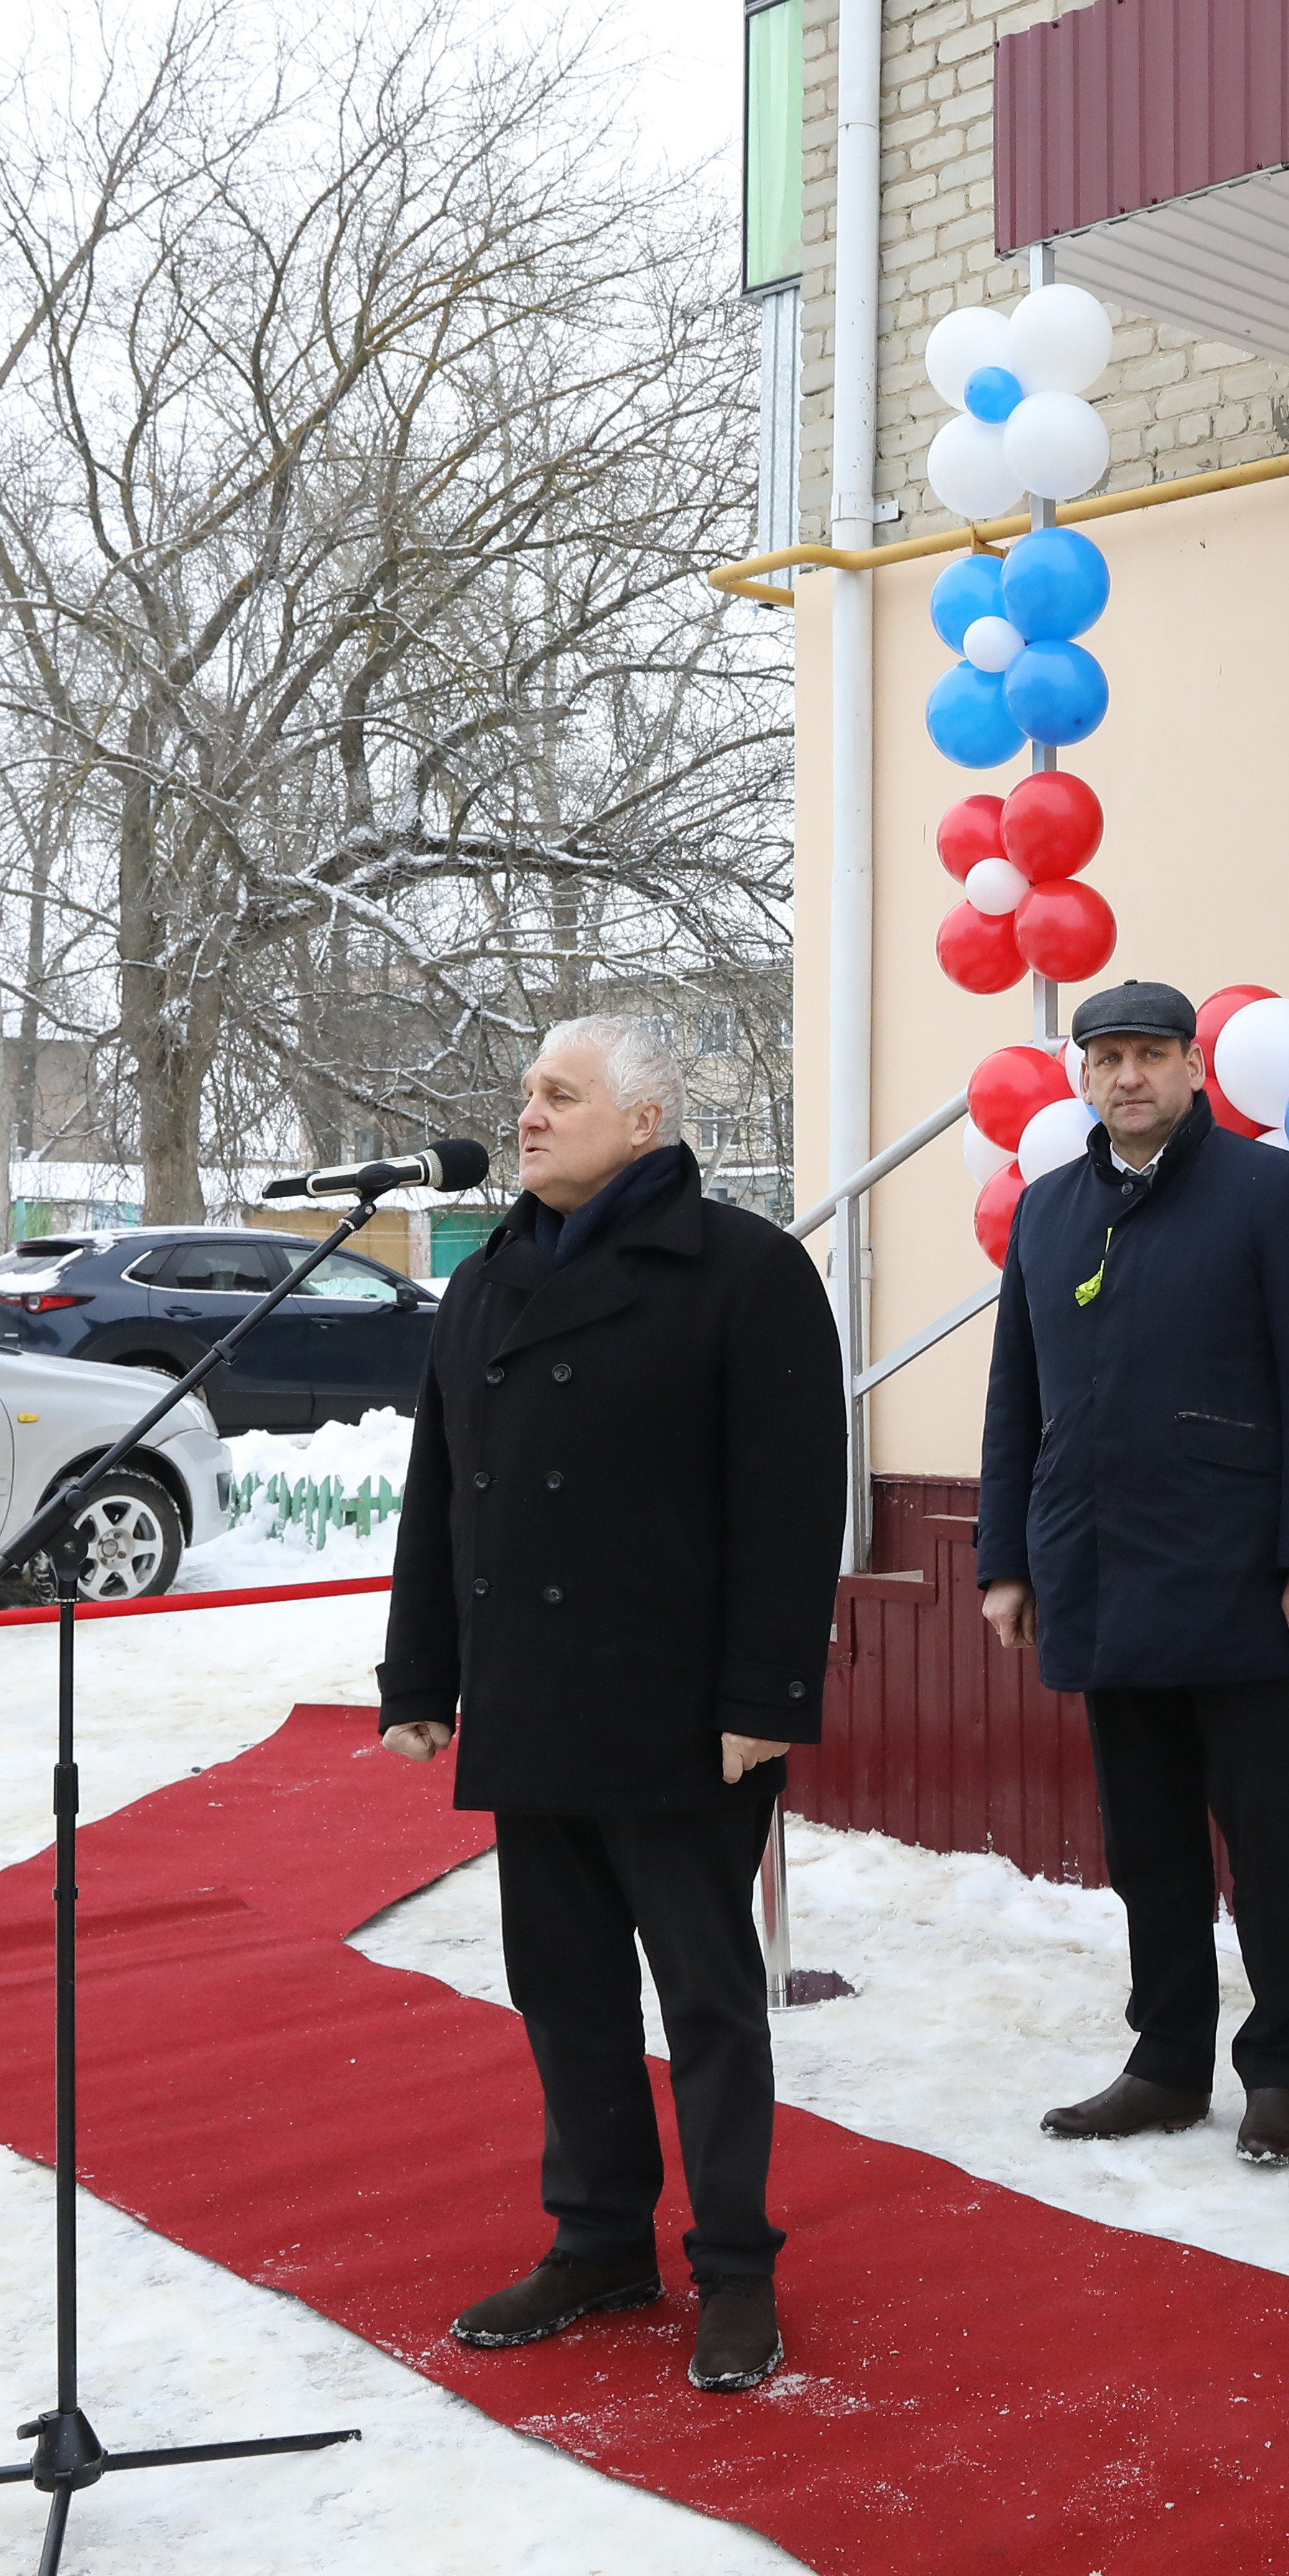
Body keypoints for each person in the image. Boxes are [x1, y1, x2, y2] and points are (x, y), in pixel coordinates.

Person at [377, 1013, 844, 2394]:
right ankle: (598, 2237)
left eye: (560, 1095)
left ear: (645, 1121)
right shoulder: (488, 1279)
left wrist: (768, 1691)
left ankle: (737, 2266)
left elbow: (791, 1497)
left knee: (705, 2000)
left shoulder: (743, 1271)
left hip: (685, 1708)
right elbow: (439, 1495)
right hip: (535, 1702)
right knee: (565, 1991)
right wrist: (419, 1674)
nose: (528, 1114)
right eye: (525, 1093)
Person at [976, 980, 1289, 2166]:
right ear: (1083, 1076)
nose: (1128, 1077)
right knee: (1146, 1844)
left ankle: (1276, 2066)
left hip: (1242, 1584)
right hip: (1099, 1578)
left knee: (1266, 1841)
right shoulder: (1048, 1212)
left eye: (1150, 1055)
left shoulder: (1269, 1193)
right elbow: (1017, 1400)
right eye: (1106, 1059)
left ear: (1194, 1068)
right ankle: (1166, 2064)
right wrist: (1006, 1559)